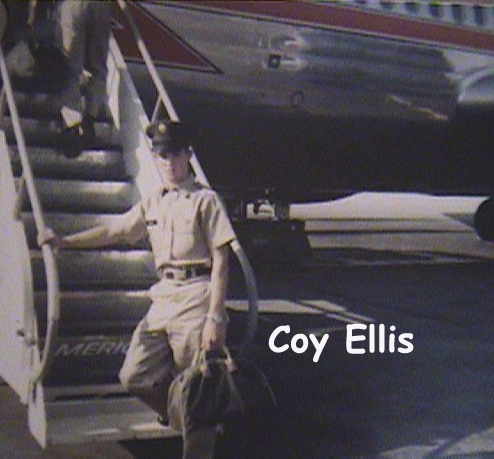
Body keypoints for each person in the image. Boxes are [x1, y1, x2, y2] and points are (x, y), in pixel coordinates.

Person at [37, 120, 236, 458]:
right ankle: (184, 416)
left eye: (175, 155)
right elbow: (114, 231)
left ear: (188, 155)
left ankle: (197, 429)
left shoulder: (206, 200)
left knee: (198, 389)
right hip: (164, 297)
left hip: (196, 296)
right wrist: (65, 241)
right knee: (134, 374)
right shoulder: (153, 202)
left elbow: (221, 260)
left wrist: (214, 318)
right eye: (162, 156)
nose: (169, 163)